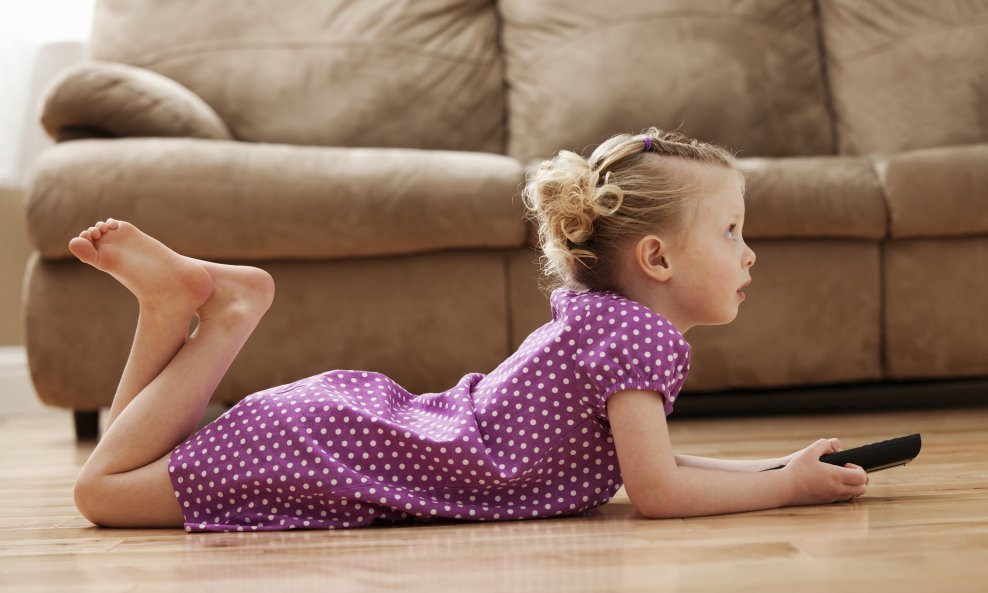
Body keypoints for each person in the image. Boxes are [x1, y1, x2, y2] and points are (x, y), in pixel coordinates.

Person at [70, 128, 868, 532]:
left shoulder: (609, 325)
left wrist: (772, 464)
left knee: (124, 469)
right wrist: (785, 489)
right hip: (328, 453)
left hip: (343, 432)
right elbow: (656, 492)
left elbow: (645, 462)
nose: (748, 252)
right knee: (101, 490)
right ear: (656, 257)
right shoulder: (635, 341)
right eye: (730, 231)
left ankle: (172, 312)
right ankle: (222, 319)